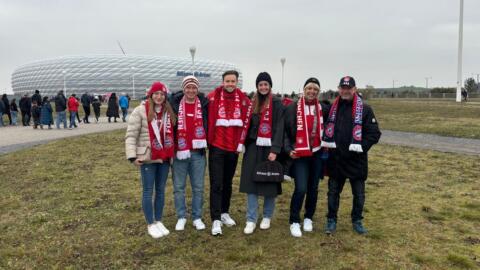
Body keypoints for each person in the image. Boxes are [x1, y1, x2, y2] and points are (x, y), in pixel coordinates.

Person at [323, 76, 381, 235]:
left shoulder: (366, 110)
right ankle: (331, 220)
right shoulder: (332, 109)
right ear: (339, 88)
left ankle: (357, 220)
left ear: (354, 89)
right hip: (336, 159)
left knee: (359, 194)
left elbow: (374, 134)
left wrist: (361, 147)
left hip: (357, 160)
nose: (345, 91)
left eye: (349, 88)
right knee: (333, 193)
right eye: (343, 88)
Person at [125, 81, 176, 239]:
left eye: (162, 94)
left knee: (160, 191)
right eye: (156, 94)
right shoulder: (140, 111)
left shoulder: (168, 111)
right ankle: (150, 223)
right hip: (148, 157)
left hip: (164, 158)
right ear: (151, 95)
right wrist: (132, 156)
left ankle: (159, 220)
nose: (159, 97)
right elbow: (131, 135)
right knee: (148, 191)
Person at [238, 72, 285, 234]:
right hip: (253, 148)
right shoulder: (252, 103)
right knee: (251, 183)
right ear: (257, 87)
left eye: (266, 84)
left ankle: (267, 216)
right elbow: (247, 125)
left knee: (269, 181)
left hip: (270, 148)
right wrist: (243, 142)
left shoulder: (277, 103)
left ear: (270, 86)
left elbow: (280, 128)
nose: (263, 87)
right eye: (260, 85)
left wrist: (275, 150)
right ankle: (251, 218)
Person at [207, 70, 251, 236]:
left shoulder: (244, 101)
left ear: (237, 82)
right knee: (216, 184)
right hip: (217, 147)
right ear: (223, 82)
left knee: (228, 183)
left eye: (233, 81)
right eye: (228, 81)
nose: (230, 84)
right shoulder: (213, 97)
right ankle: (216, 219)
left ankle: (225, 212)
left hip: (234, 149)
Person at [284, 77, 330, 237]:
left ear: (319, 92)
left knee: (313, 188)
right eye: (309, 88)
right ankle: (294, 220)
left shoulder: (323, 108)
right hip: (300, 155)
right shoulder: (292, 108)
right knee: (301, 188)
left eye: (315, 89)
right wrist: (288, 149)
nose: (312, 91)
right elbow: (285, 132)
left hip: (317, 153)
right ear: (303, 90)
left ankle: (308, 217)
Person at [169, 76, 209, 231]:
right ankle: (181, 216)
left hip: (198, 153)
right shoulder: (174, 105)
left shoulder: (204, 105)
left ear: (197, 89)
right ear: (183, 88)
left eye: (194, 88)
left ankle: (197, 217)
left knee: (198, 187)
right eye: (188, 87)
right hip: (180, 152)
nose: (191, 90)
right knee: (179, 187)